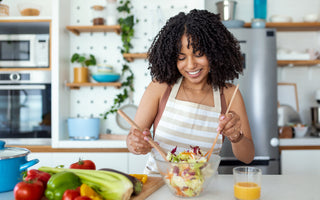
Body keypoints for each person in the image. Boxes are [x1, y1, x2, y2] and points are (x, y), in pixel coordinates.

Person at [126, 9, 255, 173]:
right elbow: (132, 139)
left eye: (199, 54)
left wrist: (236, 136)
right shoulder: (161, 87)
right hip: (158, 187)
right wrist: (136, 144)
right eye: (181, 57)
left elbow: (248, 157)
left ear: (215, 52)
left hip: (202, 189)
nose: (191, 65)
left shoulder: (229, 94)